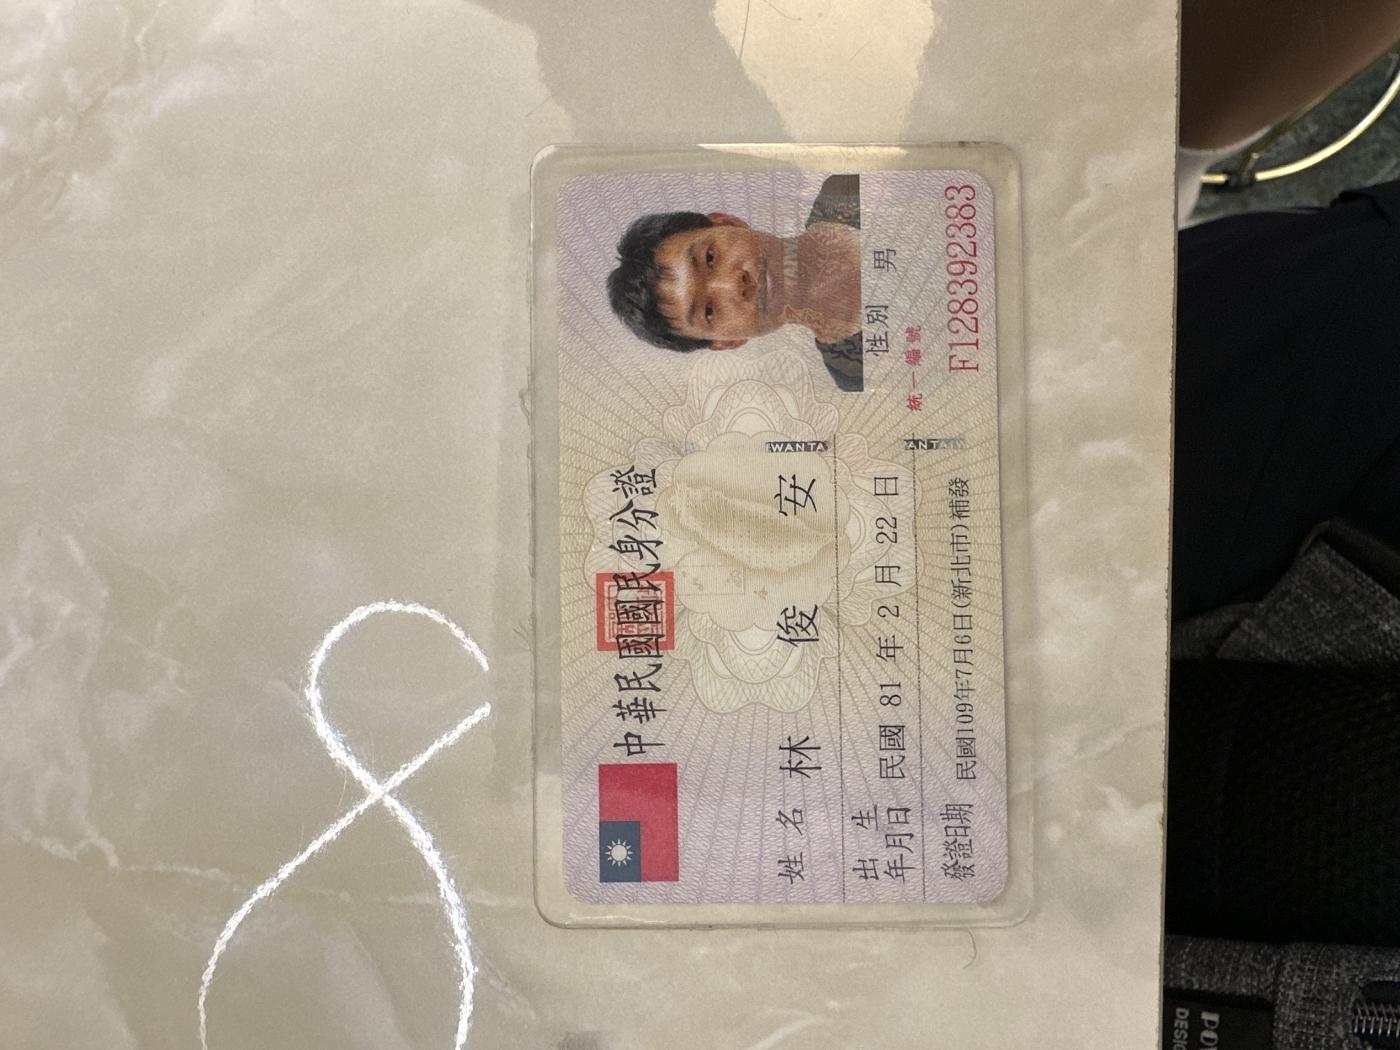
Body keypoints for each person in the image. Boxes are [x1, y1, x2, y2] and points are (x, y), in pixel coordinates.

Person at [606, 175, 865, 391]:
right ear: (727, 342)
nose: (732, 284)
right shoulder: (852, 372)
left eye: (710, 257)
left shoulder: (849, 190)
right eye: (709, 311)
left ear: (727, 223)